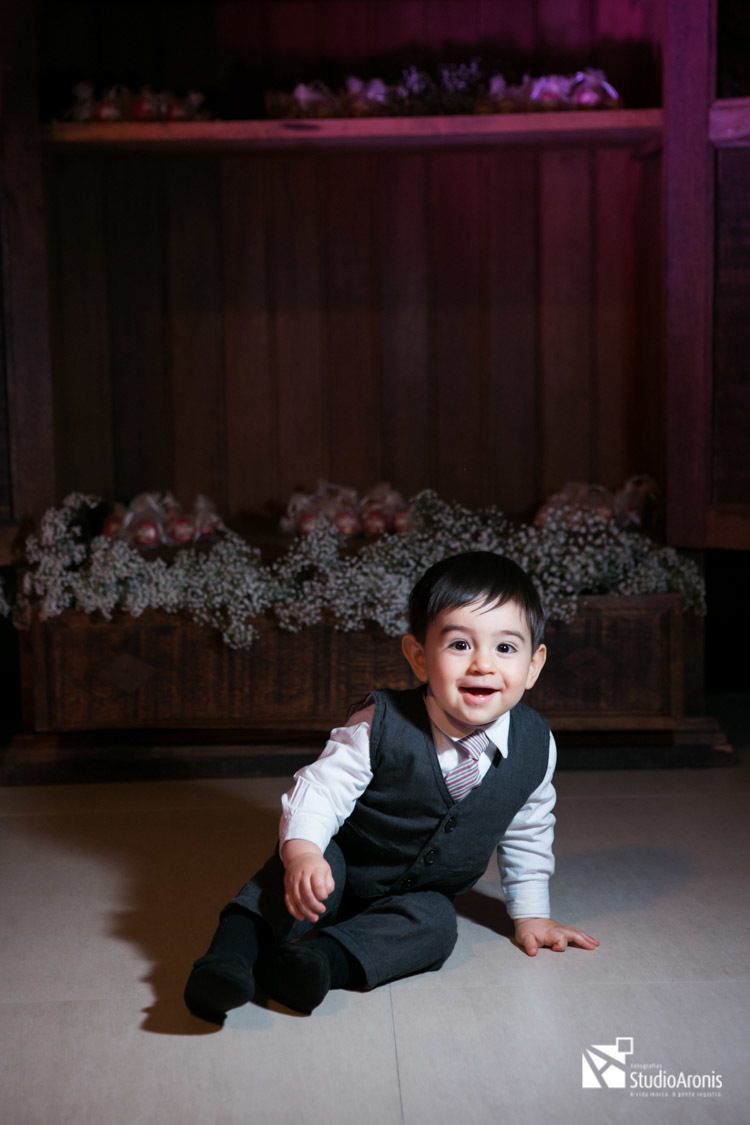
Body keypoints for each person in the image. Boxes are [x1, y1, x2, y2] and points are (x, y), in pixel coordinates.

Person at [184, 551, 598, 1023]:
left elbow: (528, 831)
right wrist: (303, 853)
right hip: (341, 864)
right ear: (420, 658)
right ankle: (227, 959)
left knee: (437, 927)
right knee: (296, 877)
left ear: (533, 665)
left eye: (505, 648)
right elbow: (320, 791)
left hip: (418, 896)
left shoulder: (535, 745)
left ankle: (316, 963)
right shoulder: (378, 724)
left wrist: (532, 916)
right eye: (460, 644)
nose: (483, 664)